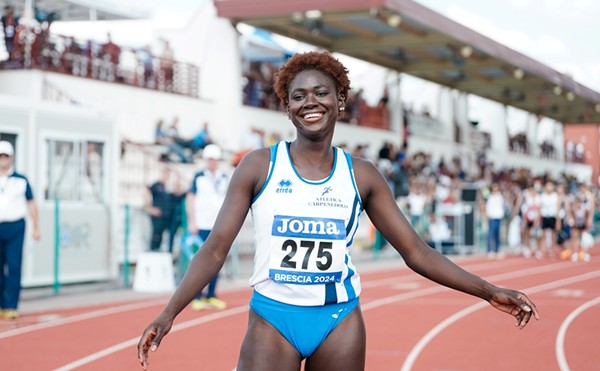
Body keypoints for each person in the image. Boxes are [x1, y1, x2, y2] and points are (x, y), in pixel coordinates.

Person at [138, 51, 539, 370]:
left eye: (320, 93)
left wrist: (489, 292)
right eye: (298, 96)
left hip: (339, 320)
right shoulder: (259, 165)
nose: (309, 102)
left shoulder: (362, 175)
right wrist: (169, 312)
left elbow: (416, 252)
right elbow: (214, 249)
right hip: (273, 318)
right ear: (287, 108)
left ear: (340, 101)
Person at [185, 144, 229, 310]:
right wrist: (192, 222)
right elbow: (190, 199)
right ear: (206, 159)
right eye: (210, 159)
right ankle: (196, 296)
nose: (213, 162)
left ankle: (211, 295)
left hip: (218, 226)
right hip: (201, 224)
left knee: (216, 261)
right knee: (199, 262)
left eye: (215, 159)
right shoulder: (199, 176)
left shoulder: (224, 177)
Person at [0, 141, 40, 320]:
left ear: (11, 157)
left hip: (16, 227)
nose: (3, 159)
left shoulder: (21, 180)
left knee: (14, 266)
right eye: (0, 156)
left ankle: (10, 305)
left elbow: (31, 203)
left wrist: (36, 226)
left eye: (5, 156)